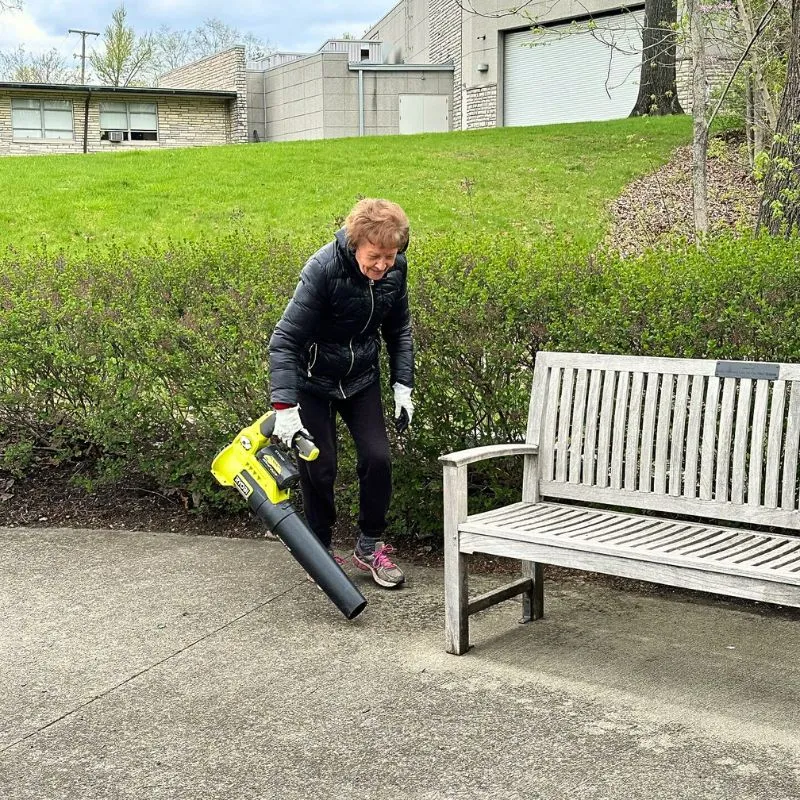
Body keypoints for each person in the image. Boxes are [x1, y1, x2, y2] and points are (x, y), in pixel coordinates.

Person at [268, 198, 414, 589]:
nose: (382, 265)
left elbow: (398, 330)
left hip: (361, 377)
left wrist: (403, 384)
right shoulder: (323, 269)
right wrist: (284, 406)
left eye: (389, 256)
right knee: (321, 466)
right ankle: (318, 546)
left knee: (378, 458)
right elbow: (283, 341)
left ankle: (369, 547)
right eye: (374, 256)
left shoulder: (396, 270)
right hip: (313, 381)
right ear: (355, 244)